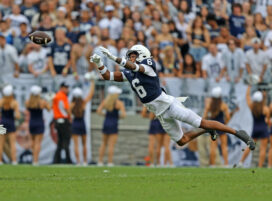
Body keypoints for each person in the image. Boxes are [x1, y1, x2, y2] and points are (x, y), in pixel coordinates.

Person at [90, 44, 255, 152]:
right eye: (130, 56)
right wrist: (99, 63)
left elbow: (133, 66)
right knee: (182, 141)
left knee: (202, 121)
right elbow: (108, 75)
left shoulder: (148, 66)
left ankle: (238, 133)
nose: (130, 58)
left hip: (170, 105)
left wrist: (113, 58)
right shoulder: (129, 73)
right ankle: (207, 130)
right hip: (160, 113)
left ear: (140, 55)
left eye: (133, 56)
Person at [239, 86, 270, 168]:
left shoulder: (252, 107)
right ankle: (260, 166)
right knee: (263, 149)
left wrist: (249, 87)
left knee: (250, 146)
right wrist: (264, 96)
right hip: (263, 129)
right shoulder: (265, 108)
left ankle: (241, 162)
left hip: (255, 129)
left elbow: (247, 97)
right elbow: (267, 119)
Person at [96, 86, 126, 167]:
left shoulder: (105, 101)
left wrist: (105, 115)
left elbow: (98, 111)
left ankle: (100, 161)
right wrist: (117, 117)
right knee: (111, 145)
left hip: (106, 122)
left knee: (103, 143)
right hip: (114, 123)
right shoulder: (119, 103)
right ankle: (110, 162)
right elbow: (123, 115)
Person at [203, 87, 230, 167]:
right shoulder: (223, 105)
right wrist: (224, 124)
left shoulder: (209, 105)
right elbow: (228, 117)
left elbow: (204, 117)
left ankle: (213, 165)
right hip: (221, 126)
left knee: (213, 147)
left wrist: (208, 125)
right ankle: (226, 164)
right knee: (224, 146)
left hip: (212, 127)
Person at [70, 79, 95, 166]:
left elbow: (68, 113)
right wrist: (92, 82)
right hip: (82, 123)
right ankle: (84, 161)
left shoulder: (71, 104)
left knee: (76, 144)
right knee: (84, 144)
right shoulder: (83, 103)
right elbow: (90, 94)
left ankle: (78, 162)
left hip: (75, 123)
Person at [25, 85, 50, 166]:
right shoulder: (42, 102)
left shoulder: (28, 102)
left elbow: (27, 108)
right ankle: (36, 160)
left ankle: (33, 159)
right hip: (39, 123)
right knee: (38, 143)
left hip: (31, 123)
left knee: (33, 142)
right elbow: (49, 109)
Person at [0, 85, 20, 165]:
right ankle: (14, 161)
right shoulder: (14, 102)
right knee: (12, 143)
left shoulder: (1, 101)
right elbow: (18, 115)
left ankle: (0, 161)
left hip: (2, 123)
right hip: (11, 122)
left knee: (1, 143)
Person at [52, 82, 71, 164]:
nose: (67, 90)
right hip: (64, 119)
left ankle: (56, 160)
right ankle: (68, 160)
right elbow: (66, 109)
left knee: (60, 141)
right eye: (65, 88)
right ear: (61, 88)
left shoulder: (55, 96)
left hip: (57, 120)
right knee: (66, 141)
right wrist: (70, 117)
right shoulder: (63, 96)